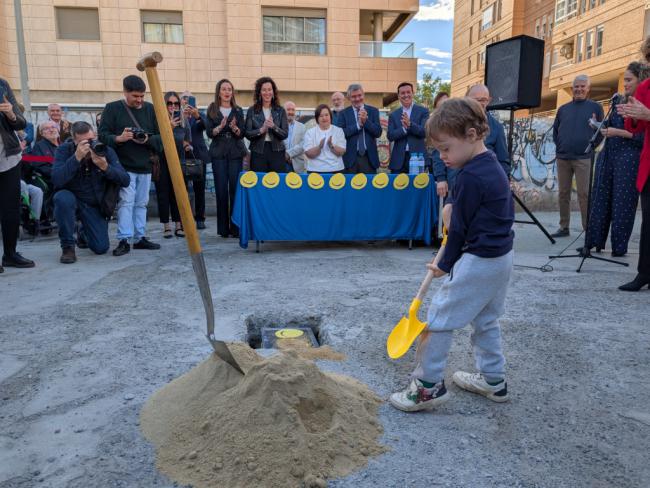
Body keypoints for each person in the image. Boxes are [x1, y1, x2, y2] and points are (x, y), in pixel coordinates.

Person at [390, 97, 514, 412]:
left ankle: (428, 385)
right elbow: (471, 213)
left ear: (472, 134)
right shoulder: (489, 166)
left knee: (440, 317)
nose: (442, 156)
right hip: (500, 259)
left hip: (480, 260)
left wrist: (444, 264)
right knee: (485, 319)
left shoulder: (471, 175)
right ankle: (494, 380)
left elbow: (458, 231)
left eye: (446, 148)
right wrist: (452, 207)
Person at [586, 62, 646, 257]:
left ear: (641, 79)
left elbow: (642, 137)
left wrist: (617, 132)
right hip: (609, 154)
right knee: (600, 198)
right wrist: (598, 126)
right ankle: (594, 242)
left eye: (629, 80)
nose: (625, 84)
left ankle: (619, 248)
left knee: (623, 202)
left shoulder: (644, 105)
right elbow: (609, 127)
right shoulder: (619, 100)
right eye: (625, 80)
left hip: (629, 158)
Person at [99, 74, 162, 256]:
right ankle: (124, 239)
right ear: (125, 92)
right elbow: (102, 135)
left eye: (142, 96)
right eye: (135, 96)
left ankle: (140, 237)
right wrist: (119, 138)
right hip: (123, 165)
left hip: (145, 164)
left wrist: (147, 139)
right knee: (126, 202)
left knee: (142, 203)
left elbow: (161, 136)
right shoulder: (112, 108)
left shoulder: (150, 109)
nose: (139, 100)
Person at [52, 121, 130, 263]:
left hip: (93, 205)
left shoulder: (105, 150)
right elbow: (57, 179)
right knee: (62, 198)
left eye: (91, 140)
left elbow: (125, 180)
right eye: (83, 142)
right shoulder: (64, 150)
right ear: (74, 140)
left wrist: (105, 167)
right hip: (72, 198)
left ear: (95, 135)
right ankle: (68, 247)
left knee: (101, 248)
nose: (89, 144)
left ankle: (83, 232)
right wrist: (76, 158)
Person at [551, 75, 604, 238]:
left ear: (588, 89)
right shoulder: (563, 109)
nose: (579, 89)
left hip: (583, 158)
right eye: (576, 86)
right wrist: (560, 146)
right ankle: (564, 227)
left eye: (582, 86)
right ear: (572, 88)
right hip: (563, 158)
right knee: (563, 194)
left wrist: (591, 148)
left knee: (584, 194)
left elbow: (601, 131)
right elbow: (555, 131)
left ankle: (588, 229)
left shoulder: (596, 107)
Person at [617, 37, 650, 291]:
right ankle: (644, 274)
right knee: (648, 221)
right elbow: (634, 126)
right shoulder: (645, 87)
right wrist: (631, 111)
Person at [0, 77, 34, 272]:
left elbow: (21, 122)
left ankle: (10, 254)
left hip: (8, 156)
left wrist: (11, 114)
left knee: (11, 209)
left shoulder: (2, 84)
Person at [205, 79, 246, 238]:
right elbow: (209, 132)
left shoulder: (238, 110)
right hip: (219, 153)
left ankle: (236, 228)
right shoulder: (212, 108)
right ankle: (223, 229)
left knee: (235, 191)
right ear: (219, 91)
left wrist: (235, 128)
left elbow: (242, 133)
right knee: (221, 191)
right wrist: (220, 127)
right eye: (224, 89)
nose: (227, 92)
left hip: (235, 153)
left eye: (229, 89)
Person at [156, 91, 190, 239]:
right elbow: (155, 141)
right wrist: (168, 127)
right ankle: (166, 226)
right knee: (163, 193)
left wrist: (186, 145)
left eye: (176, 103)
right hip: (162, 160)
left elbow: (188, 139)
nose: (173, 106)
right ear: (164, 104)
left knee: (178, 193)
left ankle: (178, 224)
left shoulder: (183, 121)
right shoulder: (158, 120)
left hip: (179, 160)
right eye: (169, 103)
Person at [245, 77, 288, 173]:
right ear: (259, 92)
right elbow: (247, 133)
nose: (267, 92)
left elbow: (285, 134)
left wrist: (273, 126)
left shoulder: (280, 110)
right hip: (258, 151)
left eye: (269, 89)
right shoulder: (252, 110)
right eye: (264, 90)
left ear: (273, 92)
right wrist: (261, 130)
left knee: (277, 182)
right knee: (259, 182)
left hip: (277, 151)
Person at [336, 83, 382, 174]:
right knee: (350, 188)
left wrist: (366, 122)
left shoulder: (373, 111)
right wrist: (357, 126)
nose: (357, 99)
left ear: (363, 95)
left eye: (359, 95)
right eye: (353, 96)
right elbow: (340, 133)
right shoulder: (343, 114)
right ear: (349, 98)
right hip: (350, 160)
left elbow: (378, 132)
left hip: (369, 159)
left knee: (369, 188)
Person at [466, 84, 510, 177]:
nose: (479, 103)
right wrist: (441, 178)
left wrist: (502, 182)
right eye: (475, 100)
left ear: (488, 100)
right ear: (467, 99)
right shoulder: (455, 121)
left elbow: (503, 161)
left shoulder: (497, 127)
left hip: (483, 184)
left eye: (483, 100)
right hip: (455, 183)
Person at [387, 82, 430, 174]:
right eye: (402, 93)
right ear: (398, 96)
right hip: (398, 161)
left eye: (408, 92)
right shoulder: (393, 115)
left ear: (412, 93)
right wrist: (404, 129)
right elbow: (390, 136)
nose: (406, 95)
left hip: (418, 158)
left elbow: (424, 132)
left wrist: (410, 124)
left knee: (417, 187)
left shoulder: (423, 111)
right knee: (397, 188)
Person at [181, 91, 209, 229]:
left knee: (199, 189)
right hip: (182, 155)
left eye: (189, 99)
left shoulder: (200, 115)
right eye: (184, 99)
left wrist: (197, 116)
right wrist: (183, 117)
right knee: (183, 189)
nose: (187, 102)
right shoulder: (177, 116)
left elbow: (206, 127)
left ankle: (200, 218)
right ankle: (184, 219)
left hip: (198, 156)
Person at [303, 104, 346, 173]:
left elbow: (341, 152)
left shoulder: (338, 131)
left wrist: (331, 146)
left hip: (336, 169)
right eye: (321, 116)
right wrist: (319, 147)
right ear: (317, 118)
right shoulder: (310, 132)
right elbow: (308, 154)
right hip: (315, 170)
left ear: (330, 116)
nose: (324, 118)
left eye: (326, 115)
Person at [432, 92, 455, 199]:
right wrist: (441, 178)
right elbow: (437, 155)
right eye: (440, 107)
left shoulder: (461, 123)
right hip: (450, 180)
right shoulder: (437, 128)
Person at [284, 101, 307, 173]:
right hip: (281, 163)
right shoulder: (278, 126)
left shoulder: (302, 127)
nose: (291, 112)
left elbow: (303, 144)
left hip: (297, 165)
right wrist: (283, 155)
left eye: (293, 110)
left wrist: (288, 154)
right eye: (288, 109)